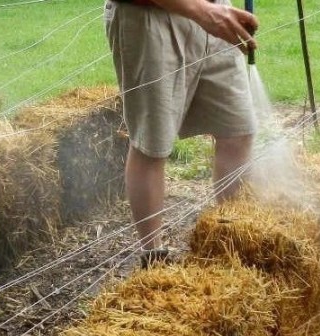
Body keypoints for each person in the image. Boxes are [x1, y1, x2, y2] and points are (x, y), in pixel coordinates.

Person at [104, 0, 259, 268]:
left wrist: (212, 10)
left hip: (218, 14)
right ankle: (153, 259)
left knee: (238, 132)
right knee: (152, 145)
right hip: (151, 17)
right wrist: (202, 11)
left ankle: (232, 241)